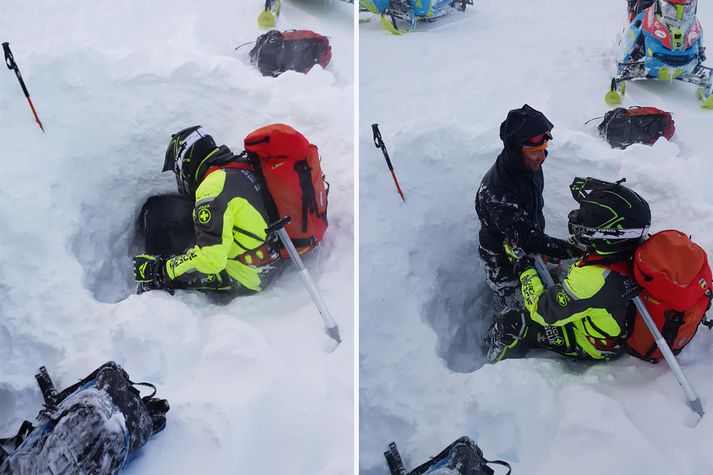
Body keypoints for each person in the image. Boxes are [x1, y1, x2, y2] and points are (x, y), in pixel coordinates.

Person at [486, 177, 652, 363]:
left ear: (609, 233)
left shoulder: (593, 279)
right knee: (556, 281)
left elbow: (542, 311)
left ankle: (492, 369)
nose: (579, 217)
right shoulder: (631, 247)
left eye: (588, 216)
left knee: (509, 322)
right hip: (613, 318)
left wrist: (523, 266)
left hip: (595, 343)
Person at [132, 126, 283, 297]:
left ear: (186, 162)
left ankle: (146, 298)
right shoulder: (237, 168)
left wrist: (161, 270)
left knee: (158, 279)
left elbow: (211, 260)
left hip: (246, 275)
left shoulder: (213, 187)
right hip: (265, 258)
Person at [475, 104, 583, 311]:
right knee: (510, 299)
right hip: (501, 254)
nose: (541, 158)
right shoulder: (496, 189)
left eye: (543, 151)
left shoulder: (529, 165)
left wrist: (542, 245)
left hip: (525, 239)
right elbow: (525, 236)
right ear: (516, 151)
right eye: (535, 152)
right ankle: (503, 319)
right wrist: (570, 249)